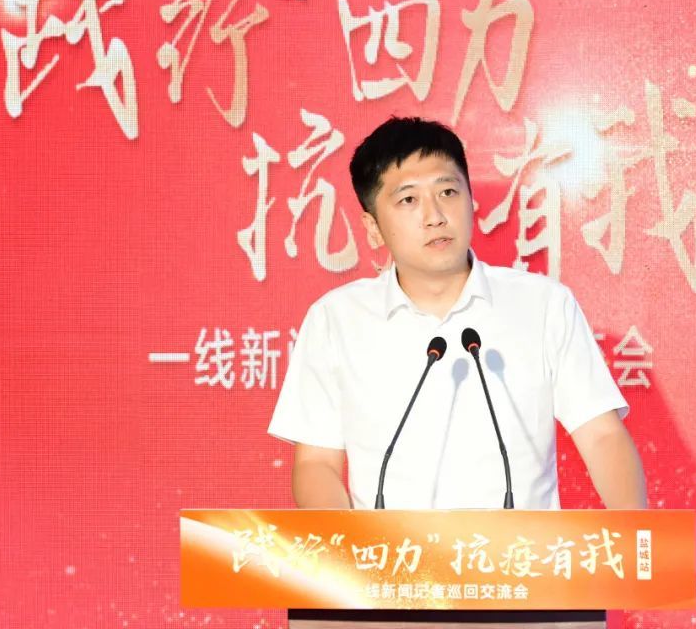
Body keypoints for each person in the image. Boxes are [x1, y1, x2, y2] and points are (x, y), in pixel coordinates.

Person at [267, 117, 646, 510]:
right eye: (408, 200)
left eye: (447, 191)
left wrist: (637, 536)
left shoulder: (545, 305)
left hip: (521, 550)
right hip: (388, 551)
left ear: (470, 199)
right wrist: (349, 547)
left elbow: (601, 435)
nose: (435, 216)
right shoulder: (335, 320)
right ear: (373, 227)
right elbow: (316, 463)